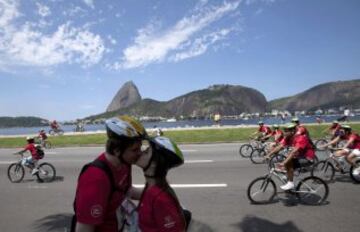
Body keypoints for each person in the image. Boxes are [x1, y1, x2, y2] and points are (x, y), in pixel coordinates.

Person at [73, 115, 147, 232]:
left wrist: (158, 193)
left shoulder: (124, 164)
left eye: (140, 148)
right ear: (117, 150)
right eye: (134, 150)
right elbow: (84, 228)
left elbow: (127, 191)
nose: (140, 153)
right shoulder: (96, 178)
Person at [136, 136, 187, 232]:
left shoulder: (160, 199)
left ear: (154, 164)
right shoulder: (150, 187)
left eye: (146, 152)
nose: (140, 152)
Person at [276, 123, 316, 190]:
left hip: (308, 158)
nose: (284, 132)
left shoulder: (301, 138)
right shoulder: (289, 138)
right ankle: (289, 179)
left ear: (292, 131)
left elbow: (294, 151)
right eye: (284, 130)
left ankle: (291, 183)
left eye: (286, 131)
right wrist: (268, 155)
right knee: (287, 160)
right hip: (300, 157)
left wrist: (283, 163)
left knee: (289, 162)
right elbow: (280, 146)